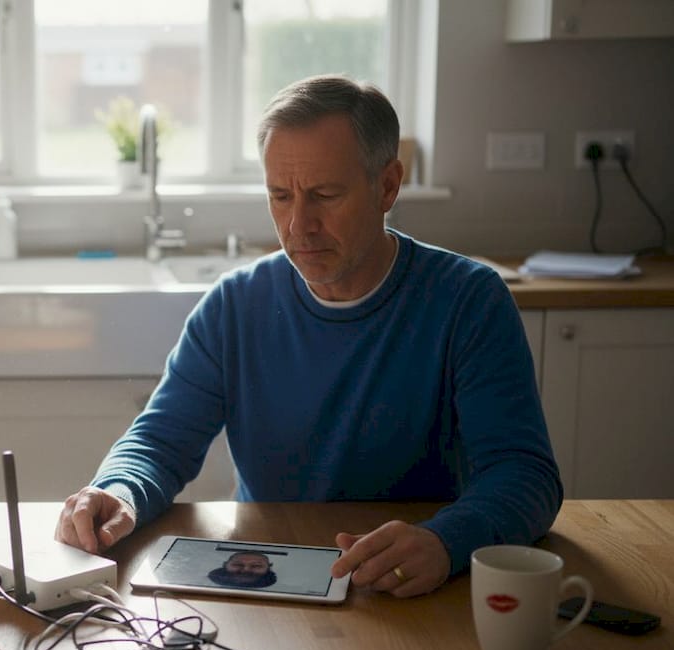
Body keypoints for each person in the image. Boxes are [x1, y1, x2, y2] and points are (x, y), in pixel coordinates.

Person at [55, 75, 561, 598]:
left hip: (412, 588)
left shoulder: (469, 301)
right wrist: (118, 491)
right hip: (266, 576)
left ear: (388, 186)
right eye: (280, 195)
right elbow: (159, 441)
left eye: (324, 195)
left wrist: (446, 541)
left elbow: (525, 475)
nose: (299, 225)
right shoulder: (234, 305)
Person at [208, 552, 277, 589]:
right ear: (225, 565)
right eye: (237, 564)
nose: (246, 570)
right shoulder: (205, 585)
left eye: (256, 566)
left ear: (269, 568)